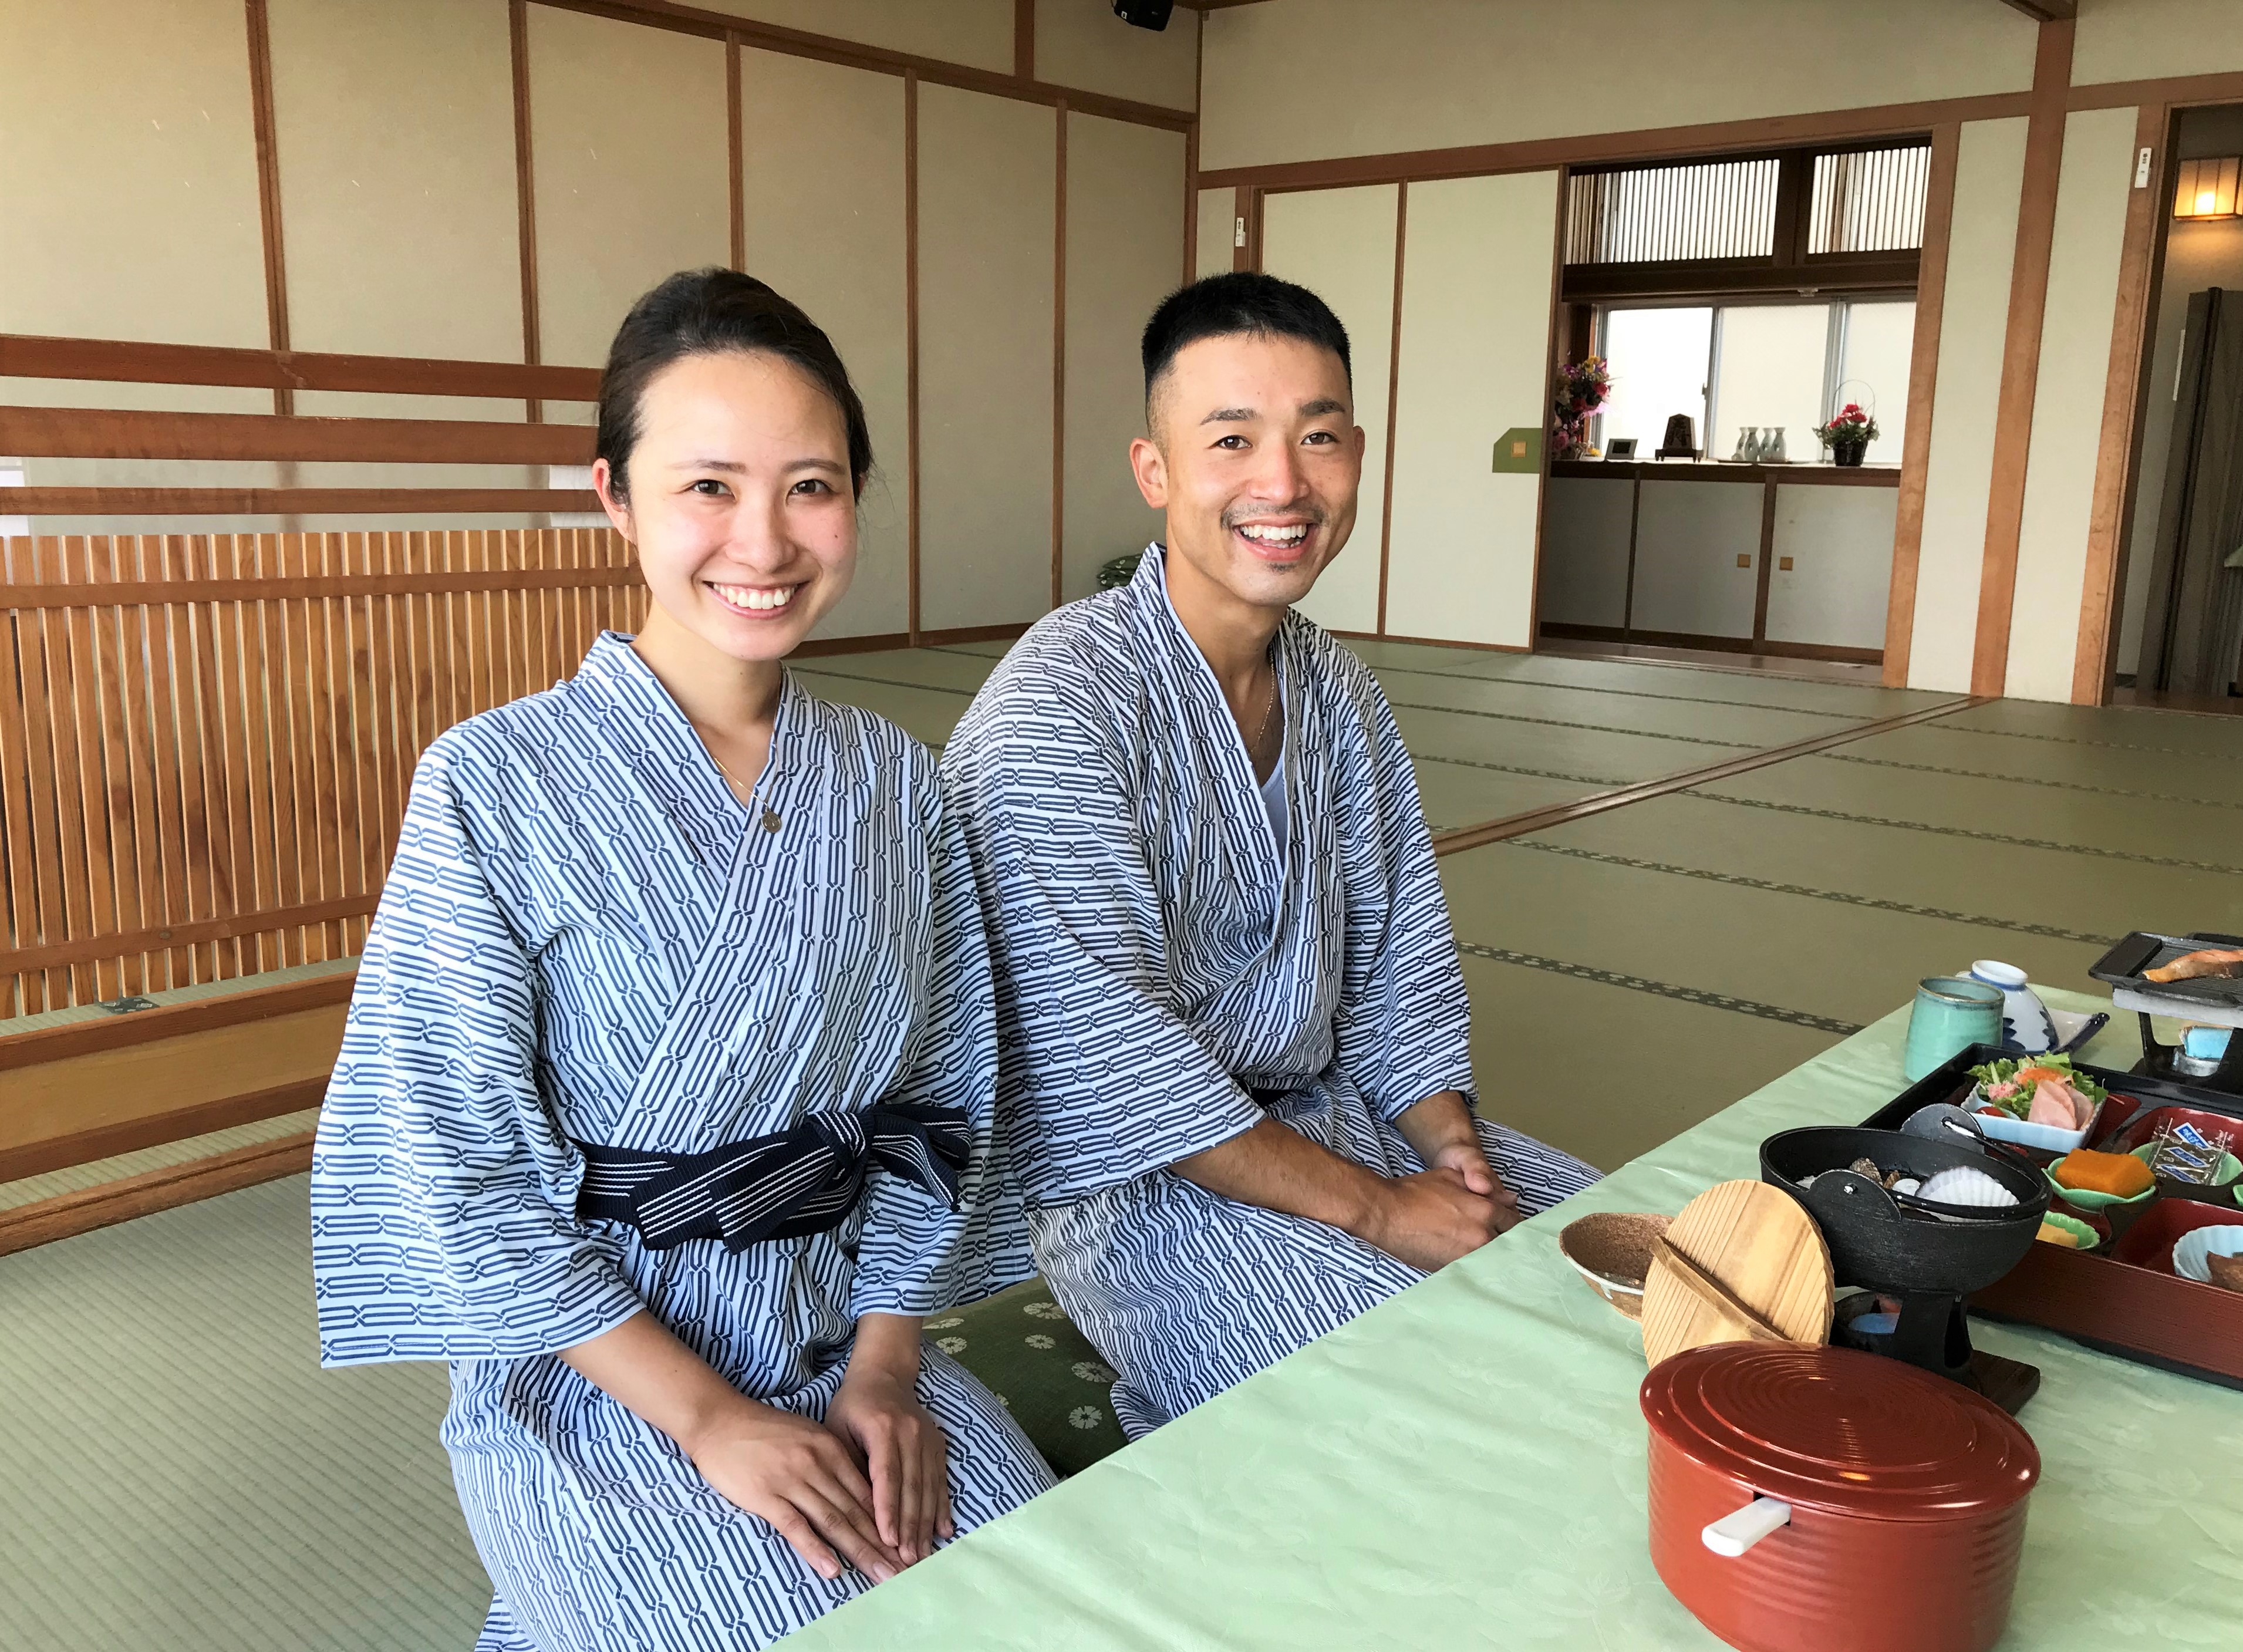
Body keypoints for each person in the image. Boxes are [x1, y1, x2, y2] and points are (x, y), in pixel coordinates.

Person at [309, 269, 1054, 1651]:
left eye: (812, 487)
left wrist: (891, 1370)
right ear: (615, 496)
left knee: (1025, 1605)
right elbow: (445, 1155)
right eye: (707, 486)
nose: (762, 542)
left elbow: (943, 1107)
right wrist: (711, 1419)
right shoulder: (493, 780)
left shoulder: (898, 786)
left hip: (843, 1340)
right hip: (594, 1373)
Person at [943, 272, 1601, 1438]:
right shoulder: (1056, 712)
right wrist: (1386, 1217)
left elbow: (1401, 968)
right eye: (1233, 439)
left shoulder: (1338, 690)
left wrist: (1451, 1158)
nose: (1284, 485)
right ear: (1155, 470)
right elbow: (1111, 1075)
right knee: (1445, 1390)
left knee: (1641, 1261)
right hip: (1146, 1191)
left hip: (1339, 1119)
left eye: (1319, 438)